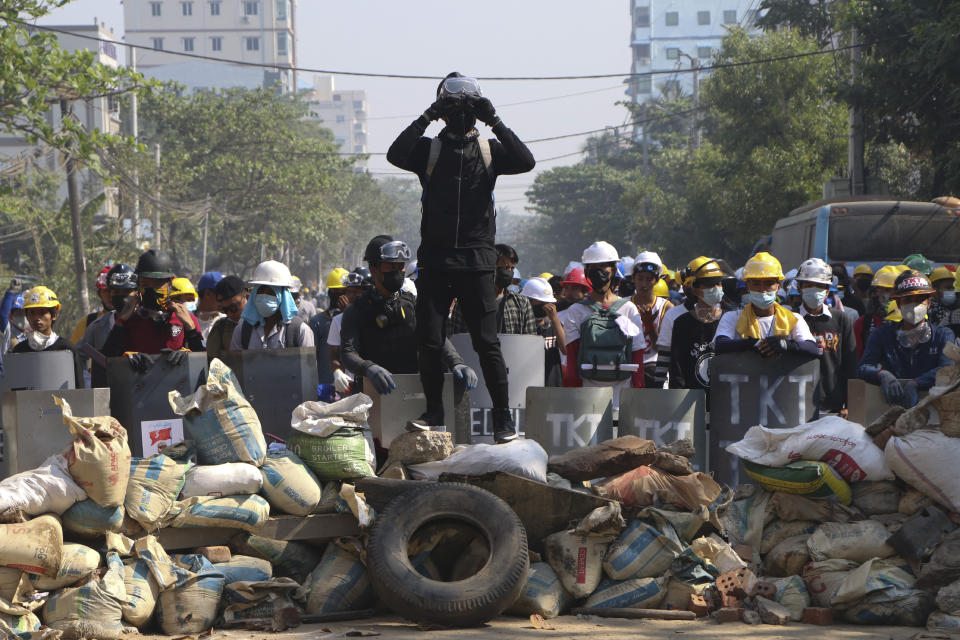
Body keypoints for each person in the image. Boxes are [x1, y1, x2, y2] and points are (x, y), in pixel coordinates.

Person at [387, 72, 535, 443]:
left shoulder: (489, 151)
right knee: (430, 339)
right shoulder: (429, 150)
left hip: (477, 261)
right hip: (436, 261)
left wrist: (494, 119)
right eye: (452, 106)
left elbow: (526, 161)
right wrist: (428, 115)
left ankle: (503, 420)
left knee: (487, 343)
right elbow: (395, 153)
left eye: (467, 106)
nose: (460, 114)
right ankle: (435, 412)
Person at [340, 236, 477, 423]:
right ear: (374, 268)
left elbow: (436, 337)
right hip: (371, 397)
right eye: (390, 267)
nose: (397, 272)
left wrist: (456, 362)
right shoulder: (356, 310)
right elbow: (348, 353)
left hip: (414, 394)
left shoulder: (414, 304)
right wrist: (368, 368)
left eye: (400, 267)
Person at [561, 241, 646, 410]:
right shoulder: (575, 311)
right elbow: (572, 357)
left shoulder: (629, 309)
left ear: (614, 270)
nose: (599, 273)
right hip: (587, 398)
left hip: (621, 398)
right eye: (594, 269)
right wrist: (575, 399)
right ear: (586, 273)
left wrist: (637, 397)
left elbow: (638, 356)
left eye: (604, 268)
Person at [858, 270, 955, 408]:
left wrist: (917, 383)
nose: (914, 305)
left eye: (920, 299)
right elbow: (863, 368)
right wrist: (881, 374)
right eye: (908, 300)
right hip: (890, 410)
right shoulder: (882, 334)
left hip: (933, 411)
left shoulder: (943, 335)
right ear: (898, 303)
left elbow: (948, 368)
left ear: (928, 303)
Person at [103, 250, 204, 367]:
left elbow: (202, 365)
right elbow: (106, 361)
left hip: (176, 384)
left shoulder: (185, 319)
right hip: (139, 383)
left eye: (157, 284)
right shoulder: (129, 319)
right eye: (145, 284)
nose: (151, 290)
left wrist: (189, 347)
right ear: (138, 285)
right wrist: (124, 358)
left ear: (169, 284)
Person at [713, 252, 819, 358]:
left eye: (769, 284)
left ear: (778, 286)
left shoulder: (793, 319)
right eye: (756, 283)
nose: (762, 289)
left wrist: (786, 344)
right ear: (747, 286)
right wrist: (752, 344)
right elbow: (720, 344)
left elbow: (812, 348)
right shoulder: (733, 318)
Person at [795, 258, 858, 416]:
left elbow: (850, 365)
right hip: (797, 405)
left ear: (828, 290)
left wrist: (850, 404)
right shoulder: (790, 318)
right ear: (799, 287)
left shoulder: (841, 320)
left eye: (820, 286)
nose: (814, 290)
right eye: (809, 285)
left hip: (833, 406)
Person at [654, 257, 726, 393]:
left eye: (718, 283)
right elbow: (666, 359)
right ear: (694, 288)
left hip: (721, 397)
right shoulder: (676, 319)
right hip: (686, 398)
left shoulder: (729, 317)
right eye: (710, 284)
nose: (716, 288)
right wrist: (659, 393)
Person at [449, 244, 536, 336]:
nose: (509, 272)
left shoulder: (522, 303)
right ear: (491, 268)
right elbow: (456, 339)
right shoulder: (466, 303)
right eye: (505, 268)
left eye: (512, 268)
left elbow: (530, 340)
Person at [230, 260, 313, 351]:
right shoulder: (242, 331)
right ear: (254, 294)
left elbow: (307, 364)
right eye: (260, 291)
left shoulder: (300, 331)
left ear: (283, 295)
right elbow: (235, 363)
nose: (264, 297)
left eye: (271, 292)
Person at [79, 263, 137, 387]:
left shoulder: (147, 322)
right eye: (116, 291)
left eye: (126, 291)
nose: (122, 296)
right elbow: (77, 355)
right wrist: (87, 383)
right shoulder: (97, 327)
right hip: (109, 398)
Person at [12, 286, 84, 387]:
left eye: (42, 312)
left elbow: (79, 388)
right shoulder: (19, 351)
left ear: (54, 315)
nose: (37, 318)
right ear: (27, 317)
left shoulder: (67, 349)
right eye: (32, 313)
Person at [631, 251, 673, 387]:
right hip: (629, 368)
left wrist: (649, 326)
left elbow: (663, 349)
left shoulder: (666, 307)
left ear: (657, 280)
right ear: (633, 278)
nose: (644, 284)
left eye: (649, 279)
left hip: (656, 370)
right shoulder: (624, 305)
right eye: (640, 278)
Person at [328, 271, 368, 395]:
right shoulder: (337, 320)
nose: (350, 296)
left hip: (371, 381)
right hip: (350, 384)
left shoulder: (374, 318)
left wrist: (350, 315)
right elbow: (334, 354)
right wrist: (337, 372)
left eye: (356, 292)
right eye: (348, 292)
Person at [520, 277, 565, 387]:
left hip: (552, 386)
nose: (546, 307)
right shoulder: (520, 326)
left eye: (548, 303)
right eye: (542, 302)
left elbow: (565, 348)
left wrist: (554, 320)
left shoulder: (555, 326)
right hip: (526, 385)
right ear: (528, 302)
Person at [853, 265, 901, 357]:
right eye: (880, 289)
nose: (885, 295)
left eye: (889, 290)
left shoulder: (910, 322)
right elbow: (858, 359)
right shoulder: (863, 323)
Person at [206, 275, 247, 361]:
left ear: (246, 297)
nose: (229, 314)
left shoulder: (261, 324)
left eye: (233, 308)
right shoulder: (220, 327)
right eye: (224, 310)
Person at [70, 265, 113, 345]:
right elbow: (74, 353)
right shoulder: (87, 322)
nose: (110, 295)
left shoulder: (133, 320)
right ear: (99, 293)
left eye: (114, 291)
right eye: (106, 291)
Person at [194, 271, 225, 340]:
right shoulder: (188, 320)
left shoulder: (226, 322)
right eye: (222, 294)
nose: (225, 298)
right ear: (208, 293)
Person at [0, 279, 27, 354]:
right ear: (11, 316)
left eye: (25, 312)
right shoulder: (7, 333)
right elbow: (3, 316)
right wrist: (11, 292)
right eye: (19, 313)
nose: (23, 316)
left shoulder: (32, 335)